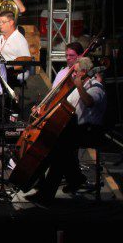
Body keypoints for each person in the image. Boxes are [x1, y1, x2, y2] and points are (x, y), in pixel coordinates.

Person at [27, 58, 106, 205]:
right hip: (73, 129)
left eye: (75, 72)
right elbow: (64, 108)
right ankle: (71, 179)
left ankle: (47, 193)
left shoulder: (96, 87)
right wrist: (43, 112)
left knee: (59, 151)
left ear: (83, 72)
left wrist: (79, 86)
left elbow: (89, 102)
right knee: (56, 147)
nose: (72, 74)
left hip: (90, 131)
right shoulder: (76, 88)